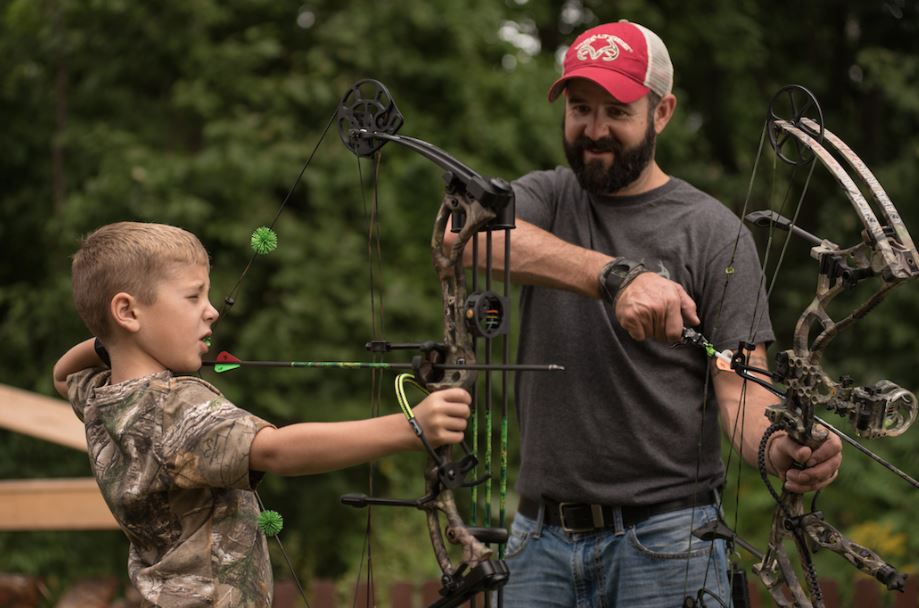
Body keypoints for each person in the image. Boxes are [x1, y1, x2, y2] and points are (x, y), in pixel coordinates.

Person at [452, 20, 844, 606]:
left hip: (667, 543)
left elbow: (740, 389)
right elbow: (461, 234)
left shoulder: (713, 233)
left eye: (617, 111)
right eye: (581, 108)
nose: (595, 130)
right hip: (538, 543)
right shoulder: (549, 197)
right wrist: (613, 276)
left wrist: (784, 444)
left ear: (661, 113)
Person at [52, 221, 472, 608]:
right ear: (127, 311)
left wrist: (111, 340)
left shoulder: (103, 398)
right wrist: (410, 427)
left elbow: (61, 374)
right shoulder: (174, 407)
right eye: (193, 295)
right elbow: (275, 451)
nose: (211, 310)